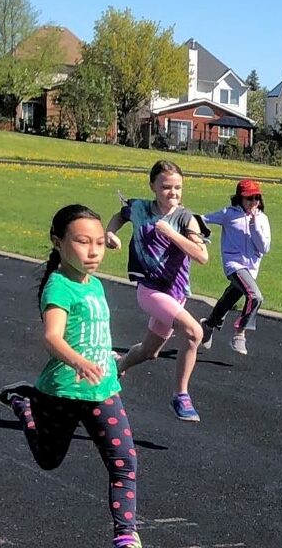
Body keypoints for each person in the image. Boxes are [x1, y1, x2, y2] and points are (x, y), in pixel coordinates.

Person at [0, 204, 154, 548]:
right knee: (49, 460)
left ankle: (125, 544)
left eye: (99, 243)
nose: (94, 251)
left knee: (124, 461)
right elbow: (52, 336)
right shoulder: (58, 286)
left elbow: (93, 331)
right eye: (83, 242)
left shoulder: (95, 284)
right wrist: (79, 362)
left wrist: (106, 358)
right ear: (58, 242)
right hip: (62, 391)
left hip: (102, 391)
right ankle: (22, 402)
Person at [108, 160, 210, 422]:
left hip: (176, 293)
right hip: (150, 290)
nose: (173, 193)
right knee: (193, 332)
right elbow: (121, 215)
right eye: (166, 187)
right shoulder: (139, 208)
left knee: (149, 352)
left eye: (178, 187)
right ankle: (181, 396)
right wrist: (110, 233)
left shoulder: (186, 218)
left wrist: (170, 233)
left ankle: (116, 367)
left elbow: (202, 256)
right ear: (152, 185)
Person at [200, 180, 272, 356]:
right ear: (240, 199)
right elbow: (202, 220)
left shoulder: (262, 219)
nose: (253, 202)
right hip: (234, 265)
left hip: (251, 270)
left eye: (256, 198)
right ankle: (240, 334)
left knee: (230, 298)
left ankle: (209, 325)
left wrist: (255, 226)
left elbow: (264, 248)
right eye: (249, 198)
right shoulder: (229, 214)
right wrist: (199, 235)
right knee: (255, 297)